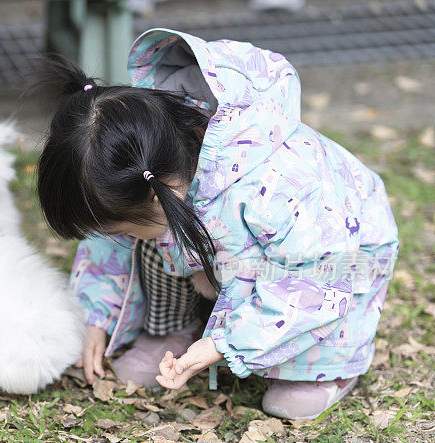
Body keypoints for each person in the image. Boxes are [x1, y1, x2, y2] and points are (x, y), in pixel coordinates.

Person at [34, 28, 398, 419]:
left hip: (334, 261)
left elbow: (315, 281)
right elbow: (106, 245)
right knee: (151, 239)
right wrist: (94, 315)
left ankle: (326, 372)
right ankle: (173, 329)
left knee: (295, 367)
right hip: (232, 255)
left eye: (117, 229)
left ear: (156, 196)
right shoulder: (156, 166)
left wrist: (225, 344)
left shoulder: (284, 186)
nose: (114, 239)